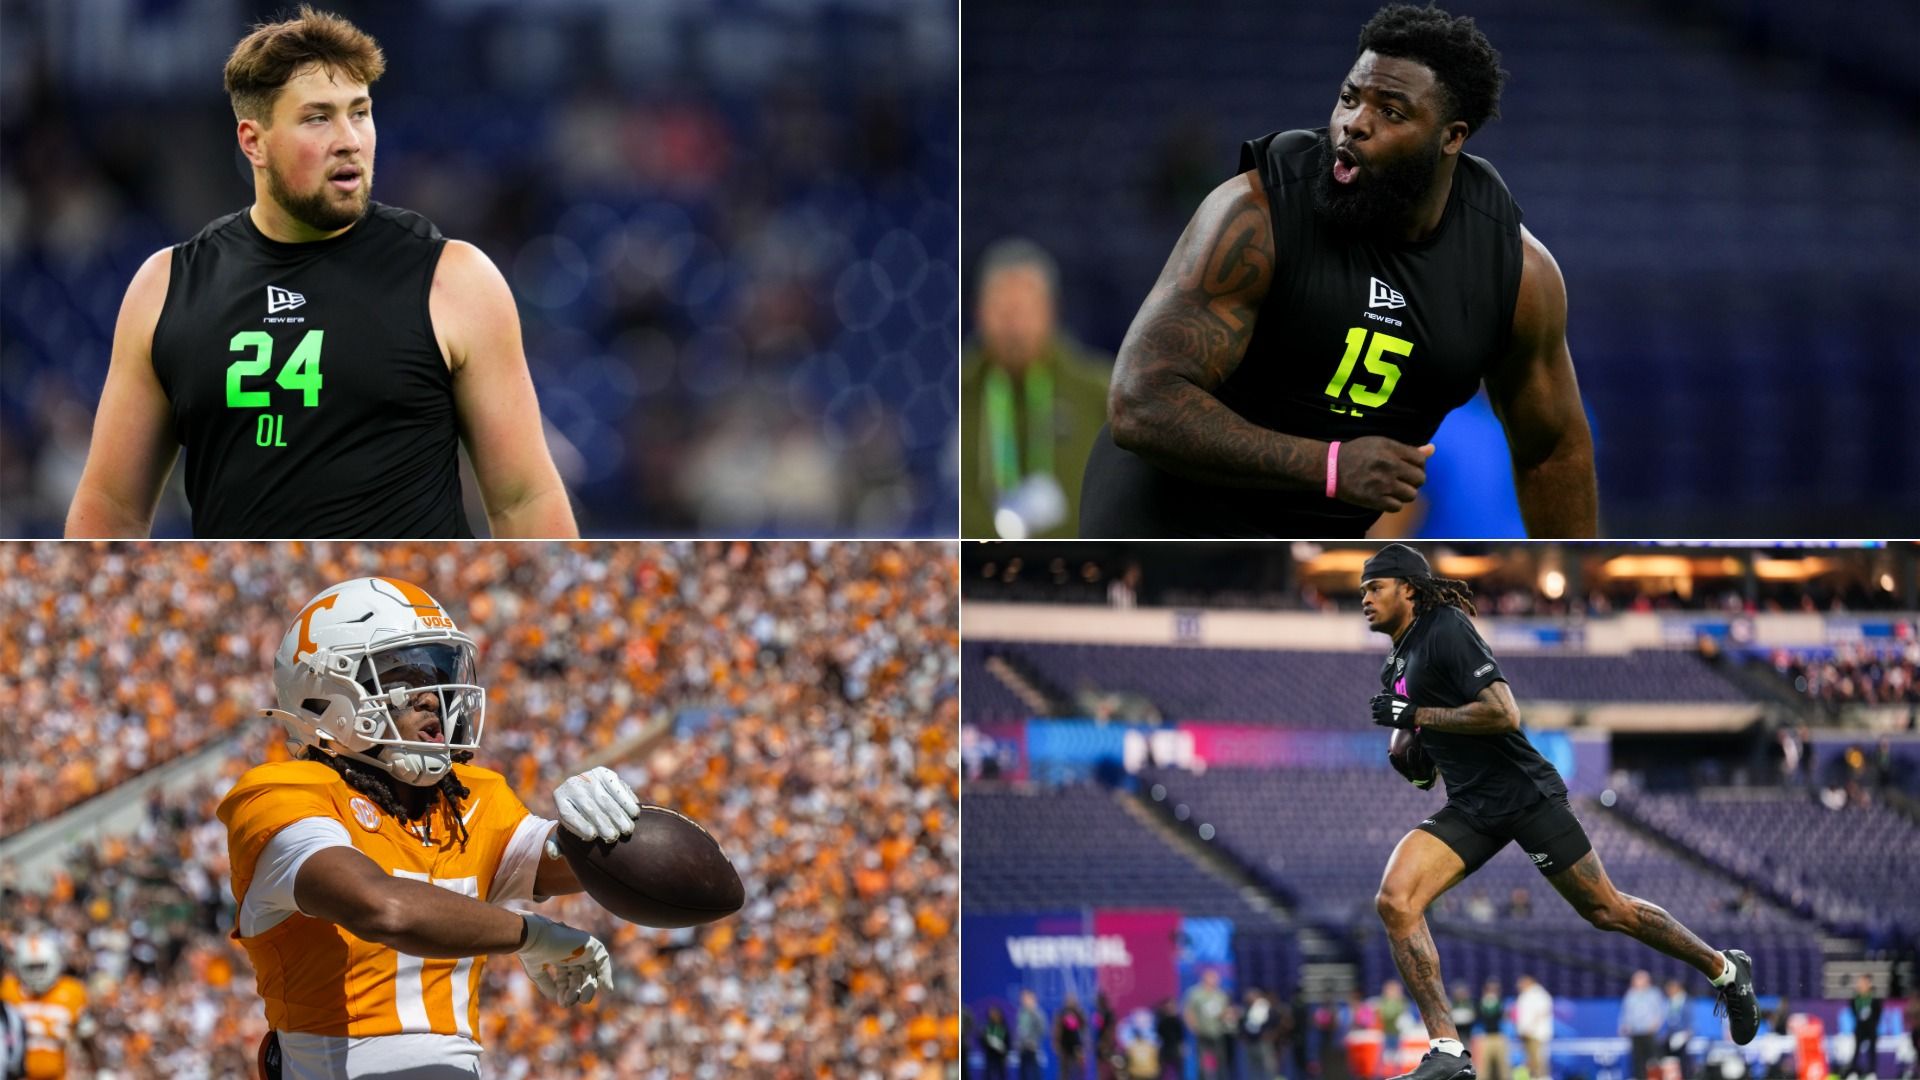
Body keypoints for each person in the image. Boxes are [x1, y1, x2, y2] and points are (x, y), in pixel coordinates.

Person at [1081, 3, 1595, 538]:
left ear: (1452, 137)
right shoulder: (1257, 213)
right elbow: (1142, 402)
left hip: (1313, 542)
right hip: (1167, 521)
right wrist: (1328, 465)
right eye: (1350, 98)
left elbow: (1552, 451)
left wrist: (1571, 575)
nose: (1354, 124)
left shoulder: (1516, 274)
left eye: (1390, 112)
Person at [66, 6, 575, 539]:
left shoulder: (455, 279)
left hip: (405, 595)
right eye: (317, 118)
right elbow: (112, 506)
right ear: (253, 142)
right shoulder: (166, 287)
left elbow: (524, 499)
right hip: (247, 595)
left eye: (360, 112)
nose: (349, 139)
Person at [216, 576, 649, 1077]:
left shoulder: (470, 799)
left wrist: (606, 818)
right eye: (404, 678)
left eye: (437, 674)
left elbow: (602, 864)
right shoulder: (282, 794)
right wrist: (528, 934)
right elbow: (383, 907)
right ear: (326, 697)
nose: (432, 699)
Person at [1361, 543, 1758, 1080]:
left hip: (1524, 793)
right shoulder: (1394, 665)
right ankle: (1449, 1052)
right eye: (1363, 590)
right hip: (1472, 805)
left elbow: (1503, 713)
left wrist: (1416, 715)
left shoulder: (1445, 627)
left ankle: (1725, 969)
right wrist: (1412, 759)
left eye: (1375, 587)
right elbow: (1427, 761)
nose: (1365, 598)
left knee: (1607, 911)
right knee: (1396, 900)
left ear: (1408, 588)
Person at [961, 238, 1112, 538]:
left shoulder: (1099, 391)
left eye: (1025, 310)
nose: (1014, 327)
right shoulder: (959, 392)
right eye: (1003, 311)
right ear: (978, 313)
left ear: (1051, 312)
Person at [0, 935, 95, 1079]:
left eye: (41, 966)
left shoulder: (73, 992)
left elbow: (87, 1037)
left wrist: (98, 1068)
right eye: (31, 968)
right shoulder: (8, 990)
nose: (37, 974)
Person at [1186, 969, 1233, 1080]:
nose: (1215, 981)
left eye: (1216, 979)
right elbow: (1189, 1012)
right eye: (1212, 978)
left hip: (1218, 1032)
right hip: (1202, 1032)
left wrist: (1228, 1016)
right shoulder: (1195, 993)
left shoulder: (1221, 994)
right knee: (1203, 1062)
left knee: (1221, 1061)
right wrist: (1193, 1027)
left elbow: (1225, 1011)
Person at [1620, 971, 1663, 1080]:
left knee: (1653, 1059)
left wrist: (1656, 1023)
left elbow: (1660, 1010)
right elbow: (1626, 1012)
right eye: (1635, 980)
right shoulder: (1630, 994)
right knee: (1637, 1060)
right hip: (1635, 1032)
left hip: (1649, 1032)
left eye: (1639, 979)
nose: (1636, 982)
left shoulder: (1654, 993)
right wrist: (1624, 1025)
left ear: (1646, 981)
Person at [1512, 977, 1551, 1080]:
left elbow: (1541, 1013)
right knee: (1530, 1060)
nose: (1519, 986)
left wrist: (1529, 1027)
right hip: (1526, 1033)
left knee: (1538, 1059)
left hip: (1535, 1034)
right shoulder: (1524, 995)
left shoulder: (1539, 995)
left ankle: (1542, 1077)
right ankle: (1533, 1077)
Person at [1846, 975, 1883, 1080]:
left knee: (1872, 1050)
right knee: (1856, 1050)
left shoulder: (1875, 999)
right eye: (1859, 983)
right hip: (1860, 1028)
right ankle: (1853, 1072)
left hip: (1871, 1028)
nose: (1860, 985)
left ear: (1869, 984)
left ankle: (1871, 1072)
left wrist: (1873, 1024)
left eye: (1863, 983)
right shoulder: (1855, 999)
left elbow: (1878, 1013)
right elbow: (1854, 1012)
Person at [1476, 981, 1510, 1080]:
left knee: (1502, 1065)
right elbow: (1481, 1016)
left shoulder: (1500, 1003)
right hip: (1486, 1036)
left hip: (1499, 1036)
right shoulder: (1481, 1003)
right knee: (1484, 1066)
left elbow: (1502, 1016)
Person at [1057, 992, 1090, 1079]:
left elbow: (1085, 1028)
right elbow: (1057, 1030)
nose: (1070, 1002)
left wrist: (1083, 1046)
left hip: (1077, 1047)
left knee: (1078, 1072)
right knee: (1065, 1072)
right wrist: (1058, 1044)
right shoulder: (1062, 1013)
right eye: (1069, 1000)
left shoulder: (1079, 1013)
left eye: (1072, 1000)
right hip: (1065, 1047)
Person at [1017, 990, 1048, 1080]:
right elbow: (1019, 1029)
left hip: (1033, 1048)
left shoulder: (1038, 1013)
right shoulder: (1021, 1012)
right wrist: (1019, 1043)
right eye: (1023, 998)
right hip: (1022, 1047)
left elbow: (1042, 1029)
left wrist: (1034, 1042)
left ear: (1033, 999)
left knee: (1035, 1072)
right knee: (1023, 1073)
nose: (1024, 1001)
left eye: (1027, 998)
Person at [981, 1006, 1012, 1080]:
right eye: (991, 1014)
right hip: (990, 1054)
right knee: (988, 1074)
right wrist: (987, 1043)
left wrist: (1005, 1052)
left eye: (995, 1014)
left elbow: (1008, 1041)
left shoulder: (1004, 1027)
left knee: (1001, 1074)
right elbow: (982, 1040)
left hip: (1000, 1055)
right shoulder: (988, 1026)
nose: (993, 1016)